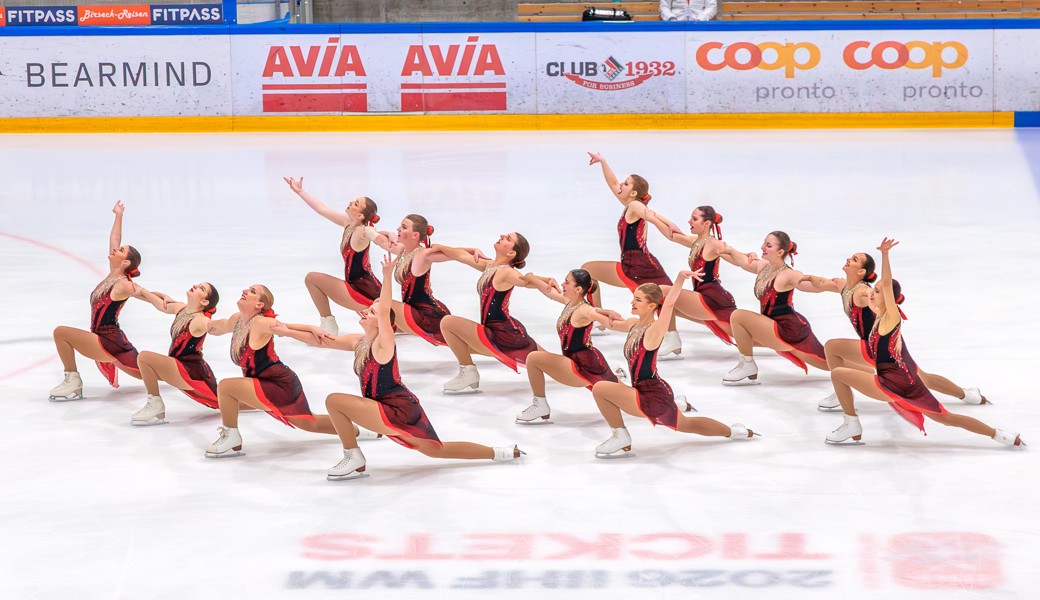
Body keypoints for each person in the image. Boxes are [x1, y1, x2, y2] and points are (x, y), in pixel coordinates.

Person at [284, 255, 523, 480]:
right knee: (436, 451)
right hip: (390, 406)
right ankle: (498, 452)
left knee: (335, 401)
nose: (365, 311)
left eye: (372, 312)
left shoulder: (383, 343)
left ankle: (353, 456)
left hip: (396, 408)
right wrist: (283, 330)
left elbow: (386, 307)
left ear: (383, 322)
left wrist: (387, 276)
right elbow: (321, 340)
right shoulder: (360, 342)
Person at [825, 238, 1024, 448]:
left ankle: (851, 423)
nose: (870, 295)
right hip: (902, 379)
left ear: (889, 300)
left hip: (893, 382)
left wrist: (885, 255)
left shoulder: (890, 317)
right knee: (945, 417)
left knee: (839, 374)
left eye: (876, 293)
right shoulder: (877, 313)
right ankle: (1001, 434)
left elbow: (887, 282)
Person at [590, 273, 757, 458]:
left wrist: (679, 279)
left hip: (652, 395)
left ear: (652, 306)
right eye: (633, 298)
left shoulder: (655, 330)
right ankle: (733, 431)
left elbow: (668, 304)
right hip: (646, 390)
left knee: (600, 387)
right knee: (687, 424)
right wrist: (596, 310)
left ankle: (620, 436)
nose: (632, 302)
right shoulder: (633, 325)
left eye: (638, 300)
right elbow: (609, 323)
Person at [801, 252, 987, 411]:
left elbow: (881, 304)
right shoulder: (843, 286)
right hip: (870, 344)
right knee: (833, 348)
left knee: (923, 379)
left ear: (861, 272)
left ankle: (967, 395)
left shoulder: (865, 293)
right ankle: (841, 389)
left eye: (855, 259)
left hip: (886, 346)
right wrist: (806, 278)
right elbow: (823, 283)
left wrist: (880, 308)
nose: (849, 259)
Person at [202, 284, 342, 458]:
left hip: (279, 384)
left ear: (260, 305)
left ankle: (231, 436)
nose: (245, 291)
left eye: (252, 292)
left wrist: (312, 329)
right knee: (309, 424)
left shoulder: (262, 323)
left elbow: (286, 328)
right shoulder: (238, 319)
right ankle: (359, 431)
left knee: (226, 387)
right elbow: (216, 327)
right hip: (261, 382)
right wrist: (195, 316)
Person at [579, 152, 681, 358]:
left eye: (626, 184)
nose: (621, 186)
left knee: (663, 296)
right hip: (633, 263)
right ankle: (598, 317)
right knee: (588, 270)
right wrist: (603, 162)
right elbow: (613, 183)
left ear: (633, 193)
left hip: (639, 265)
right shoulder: (631, 203)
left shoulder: (634, 206)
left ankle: (672, 337)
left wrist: (664, 223)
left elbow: (647, 214)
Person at [431, 233, 547, 394]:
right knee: (548, 360)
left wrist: (547, 281)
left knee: (448, 323)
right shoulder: (490, 266)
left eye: (508, 239)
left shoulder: (507, 272)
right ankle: (571, 366)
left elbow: (525, 281)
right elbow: (461, 256)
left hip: (502, 333)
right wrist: (439, 246)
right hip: (497, 330)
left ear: (511, 254)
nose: (502, 236)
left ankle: (468, 372)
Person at [50, 201, 142, 400]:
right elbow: (115, 239)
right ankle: (174, 370)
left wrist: (165, 304)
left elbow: (144, 294)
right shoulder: (114, 275)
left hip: (108, 341)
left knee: (61, 333)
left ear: (125, 262)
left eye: (120, 250)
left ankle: (73, 381)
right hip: (107, 339)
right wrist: (118, 215)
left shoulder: (123, 284)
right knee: (149, 372)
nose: (114, 250)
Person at [284, 176, 394, 336]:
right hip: (358, 286)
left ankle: (328, 325)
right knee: (394, 325)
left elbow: (373, 235)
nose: (351, 202)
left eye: (356, 204)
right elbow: (321, 209)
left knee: (312, 278)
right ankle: (328, 323)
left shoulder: (360, 231)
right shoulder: (348, 223)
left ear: (361, 216)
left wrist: (388, 236)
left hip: (364, 292)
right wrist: (300, 191)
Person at [517, 269, 627, 424]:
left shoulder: (584, 309)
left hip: (582, 365)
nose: (562, 284)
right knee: (624, 395)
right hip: (577, 360)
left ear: (578, 289)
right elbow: (548, 291)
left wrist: (632, 325)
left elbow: (601, 317)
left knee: (534, 358)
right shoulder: (570, 303)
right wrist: (532, 278)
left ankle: (540, 404)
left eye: (567, 282)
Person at [718, 231, 828, 385]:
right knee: (736, 331)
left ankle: (747, 364)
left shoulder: (788, 274)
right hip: (773, 326)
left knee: (738, 316)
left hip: (787, 329)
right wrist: (725, 249)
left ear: (780, 252)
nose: (762, 247)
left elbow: (809, 285)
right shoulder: (763, 267)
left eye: (768, 245)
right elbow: (741, 260)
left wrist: (835, 286)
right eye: (764, 243)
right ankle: (747, 363)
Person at [129, 283, 221, 425]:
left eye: (201, 289)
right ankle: (262, 403)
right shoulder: (181, 308)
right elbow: (161, 304)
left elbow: (213, 326)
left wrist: (235, 324)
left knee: (145, 357)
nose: (195, 285)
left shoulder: (200, 320)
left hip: (190, 370)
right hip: (177, 365)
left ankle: (155, 403)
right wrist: (139, 291)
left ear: (204, 302)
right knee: (229, 403)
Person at [644, 204, 737, 345]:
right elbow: (672, 235)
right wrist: (653, 218)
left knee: (662, 292)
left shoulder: (713, 244)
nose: (689, 221)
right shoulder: (696, 241)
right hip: (702, 295)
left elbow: (733, 256)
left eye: (694, 219)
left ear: (706, 224)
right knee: (668, 301)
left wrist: (747, 256)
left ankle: (672, 339)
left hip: (712, 298)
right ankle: (672, 340)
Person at [387, 214, 452, 346]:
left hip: (429, 315)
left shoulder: (423, 255)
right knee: (378, 308)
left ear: (415, 235)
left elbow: (456, 255)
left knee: (380, 304)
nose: (398, 229)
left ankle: (382, 341)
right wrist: (388, 233)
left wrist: (473, 251)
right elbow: (377, 238)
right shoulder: (402, 251)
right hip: (412, 310)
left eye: (404, 227)